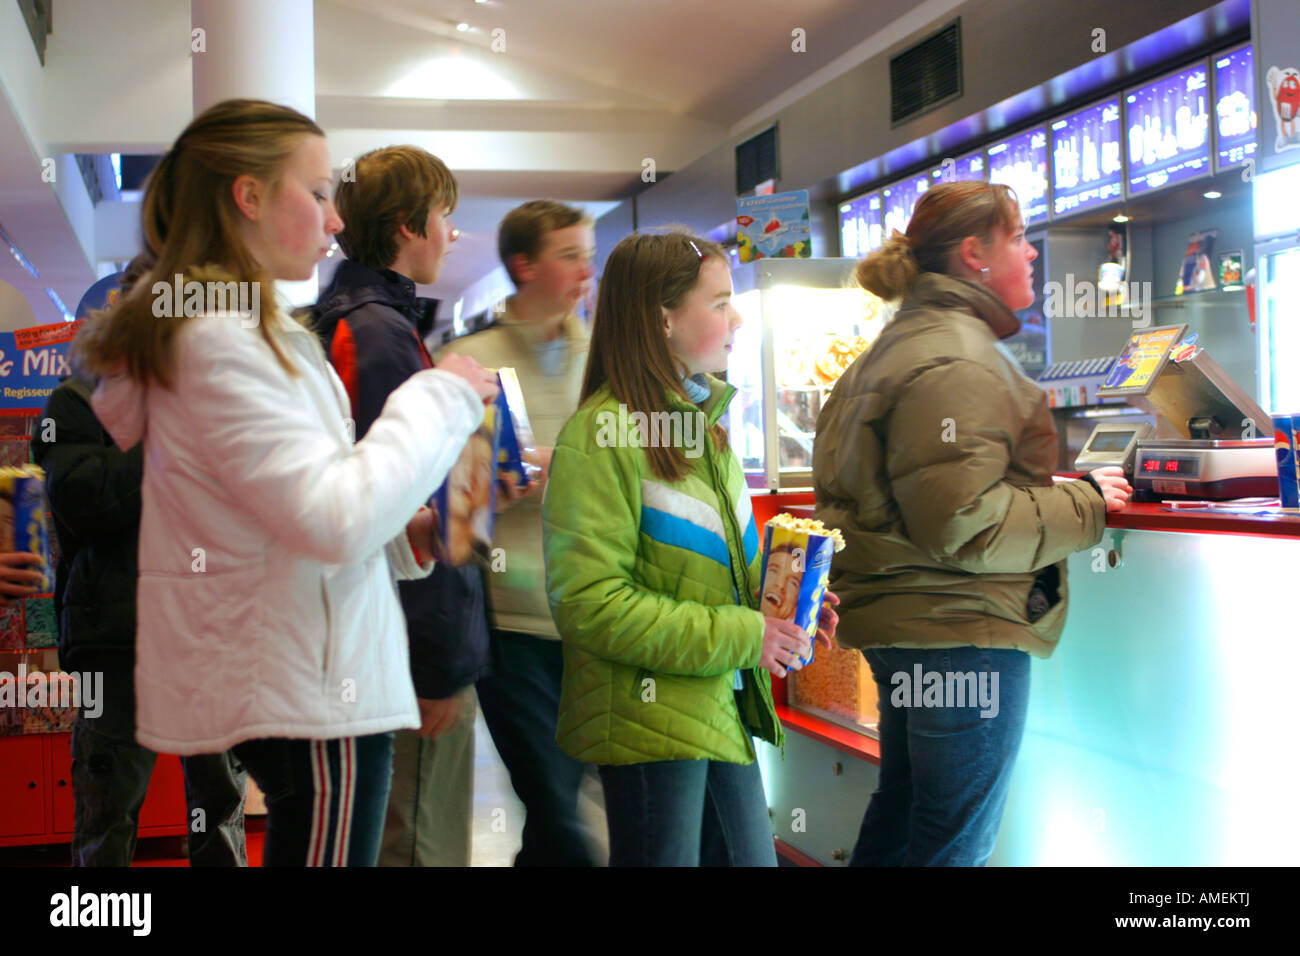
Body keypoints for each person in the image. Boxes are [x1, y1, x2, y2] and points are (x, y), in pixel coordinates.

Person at [73, 100, 498, 867]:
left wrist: (410, 542)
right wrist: (444, 396)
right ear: (250, 197)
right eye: (317, 193)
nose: (335, 221)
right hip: (314, 692)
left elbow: (292, 511)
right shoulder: (223, 343)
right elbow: (331, 518)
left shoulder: (248, 333)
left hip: (315, 672)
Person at [812, 180, 1132, 867]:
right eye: (1018, 237)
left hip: (908, 625)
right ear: (973, 254)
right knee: (952, 844)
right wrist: (1089, 505)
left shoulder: (898, 347)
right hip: (958, 627)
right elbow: (965, 523)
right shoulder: (958, 357)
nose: (1032, 255)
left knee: (901, 818)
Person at [542, 231, 840, 866]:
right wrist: (745, 634)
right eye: (721, 302)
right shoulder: (601, 437)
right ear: (664, 318)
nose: (736, 319)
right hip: (649, 723)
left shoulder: (700, 428)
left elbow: (713, 573)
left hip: (714, 704)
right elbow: (591, 605)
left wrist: (788, 604)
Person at [312, 145, 487, 867]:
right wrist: (438, 666)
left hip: (394, 641)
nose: (453, 232)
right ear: (407, 226)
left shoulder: (369, 320)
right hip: (407, 647)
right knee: (418, 842)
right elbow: (396, 504)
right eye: (445, 215)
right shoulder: (378, 332)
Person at [33, 284, 249, 864]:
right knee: (107, 810)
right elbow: (83, 498)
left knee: (219, 804)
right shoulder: (76, 401)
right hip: (115, 643)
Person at [435, 199, 600, 866]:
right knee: (557, 803)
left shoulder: (607, 358)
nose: (586, 270)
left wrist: (578, 465)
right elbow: (441, 501)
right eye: (570, 255)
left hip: (596, 613)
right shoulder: (465, 363)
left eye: (589, 254)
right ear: (523, 265)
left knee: (558, 806)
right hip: (511, 621)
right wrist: (485, 490)